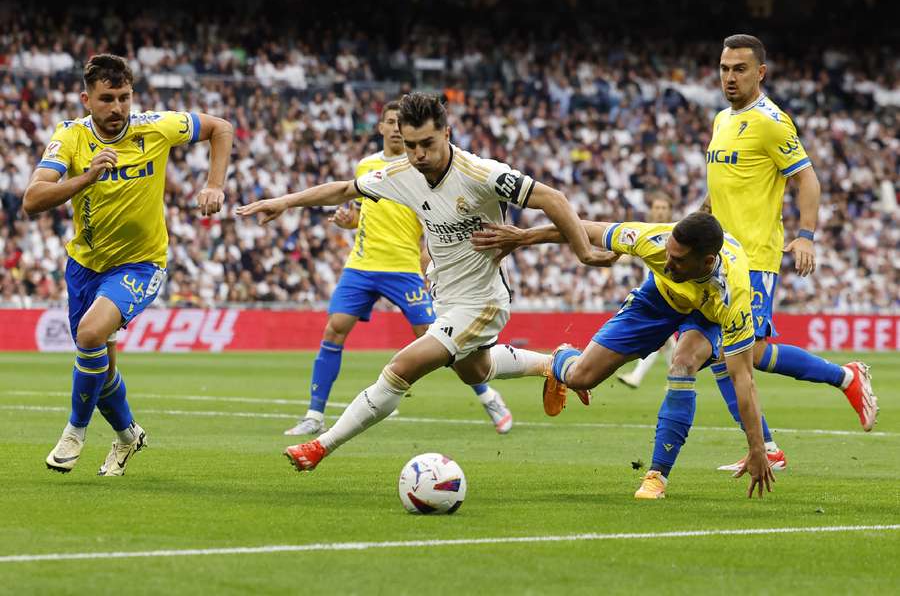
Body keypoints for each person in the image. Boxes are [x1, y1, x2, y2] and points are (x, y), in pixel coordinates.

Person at [237, 92, 613, 472]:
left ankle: (320, 445)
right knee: (476, 371)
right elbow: (344, 189)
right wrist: (284, 202)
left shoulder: (483, 174)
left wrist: (583, 252)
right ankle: (555, 363)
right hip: (446, 295)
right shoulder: (403, 175)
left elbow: (553, 198)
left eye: (428, 144)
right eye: (412, 145)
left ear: (447, 133)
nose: (419, 154)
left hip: (483, 300)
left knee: (404, 365)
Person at [23, 54, 233, 476]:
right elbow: (31, 200)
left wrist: (214, 185)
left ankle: (73, 433)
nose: (117, 108)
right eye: (106, 99)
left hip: (141, 264)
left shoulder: (153, 127)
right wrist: (85, 178)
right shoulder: (69, 138)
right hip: (84, 265)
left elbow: (220, 128)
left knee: (89, 332)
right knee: (99, 369)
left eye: (123, 97)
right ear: (86, 99)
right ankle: (127, 436)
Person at [471, 213, 775, 499]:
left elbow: (743, 378)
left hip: (705, 316)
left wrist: (757, 448)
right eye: (668, 253)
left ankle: (657, 475)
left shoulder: (733, 296)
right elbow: (583, 228)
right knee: (581, 376)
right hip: (658, 300)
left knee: (683, 364)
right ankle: (559, 360)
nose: (668, 262)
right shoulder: (652, 239)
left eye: (679, 260)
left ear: (707, 261)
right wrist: (524, 236)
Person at [699, 34, 877, 471]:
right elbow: (721, 189)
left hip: (754, 259)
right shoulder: (722, 119)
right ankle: (769, 446)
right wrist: (696, 225)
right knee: (713, 351)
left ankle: (845, 377)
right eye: (724, 68)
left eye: (740, 69)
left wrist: (806, 235)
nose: (730, 77)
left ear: (760, 72)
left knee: (746, 353)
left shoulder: (772, 121)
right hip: (716, 257)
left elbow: (808, 178)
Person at [284, 101, 510, 437]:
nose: (392, 128)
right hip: (361, 265)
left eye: (396, 122)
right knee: (334, 330)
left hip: (404, 267)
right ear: (381, 128)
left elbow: (436, 216)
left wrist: (426, 255)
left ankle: (488, 396)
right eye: (388, 122)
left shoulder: (421, 169)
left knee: (439, 341)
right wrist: (351, 222)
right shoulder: (367, 166)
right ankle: (314, 415)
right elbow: (366, 212)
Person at [616, 193, 676, 389]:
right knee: (664, 340)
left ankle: (640, 376)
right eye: (656, 207)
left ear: (670, 211)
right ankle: (677, 378)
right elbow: (628, 254)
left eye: (663, 208)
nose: (659, 211)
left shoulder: (677, 233)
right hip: (651, 291)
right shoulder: (646, 232)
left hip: (669, 291)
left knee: (658, 336)